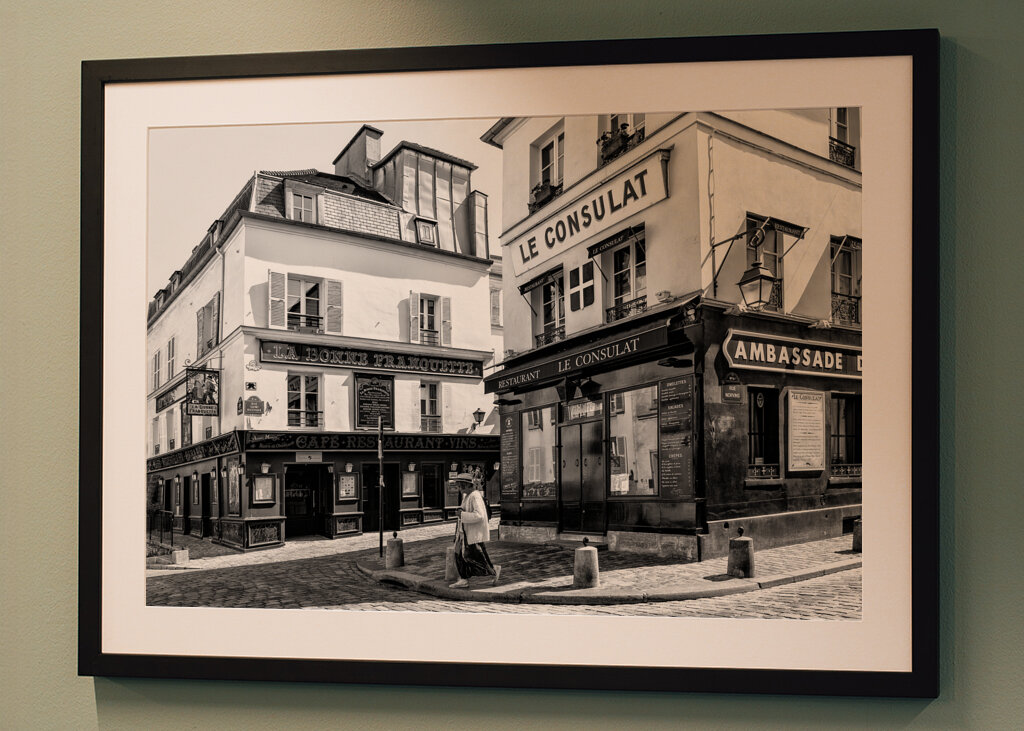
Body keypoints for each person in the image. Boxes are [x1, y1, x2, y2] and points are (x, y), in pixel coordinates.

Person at [450, 473, 500, 588]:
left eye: (459, 485)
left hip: (472, 533)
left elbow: (479, 515)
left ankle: (492, 570)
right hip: (464, 533)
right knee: (459, 554)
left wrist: (462, 514)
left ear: (466, 485)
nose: (458, 488)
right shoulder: (468, 496)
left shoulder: (474, 496)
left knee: (474, 557)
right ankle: (464, 578)